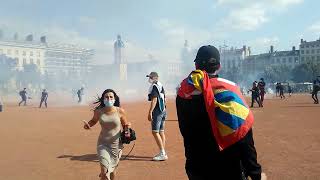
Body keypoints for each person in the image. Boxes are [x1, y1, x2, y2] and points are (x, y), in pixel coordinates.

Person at [176, 45, 263, 180]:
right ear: (219, 66)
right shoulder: (228, 91)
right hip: (228, 168)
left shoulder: (183, 94)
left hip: (196, 167)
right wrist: (255, 172)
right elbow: (243, 137)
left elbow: (185, 130)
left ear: (196, 65)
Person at [83, 89, 131, 180]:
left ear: (114, 99)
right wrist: (88, 125)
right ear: (103, 99)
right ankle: (104, 173)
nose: (109, 99)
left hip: (116, 145)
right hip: (103, 144)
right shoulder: (98, 111)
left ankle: (104, 174)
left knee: (112, 171)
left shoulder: (120, 111)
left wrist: (127, 128)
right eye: (106, 97)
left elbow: (125, 126)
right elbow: (93, 121)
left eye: (111, 97)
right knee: (105, 172)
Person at [146, 72, 168, 161]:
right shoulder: (160, 85)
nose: (149, 79)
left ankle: (162, 153)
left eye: (151, 77)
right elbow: (164, 98)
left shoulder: (155, 86)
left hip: (158, 111)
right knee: (161, 131)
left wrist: (150, 112)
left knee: (155, 132)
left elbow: (154, 100)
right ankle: (162, 151)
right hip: (163, 110)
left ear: (155, 78)